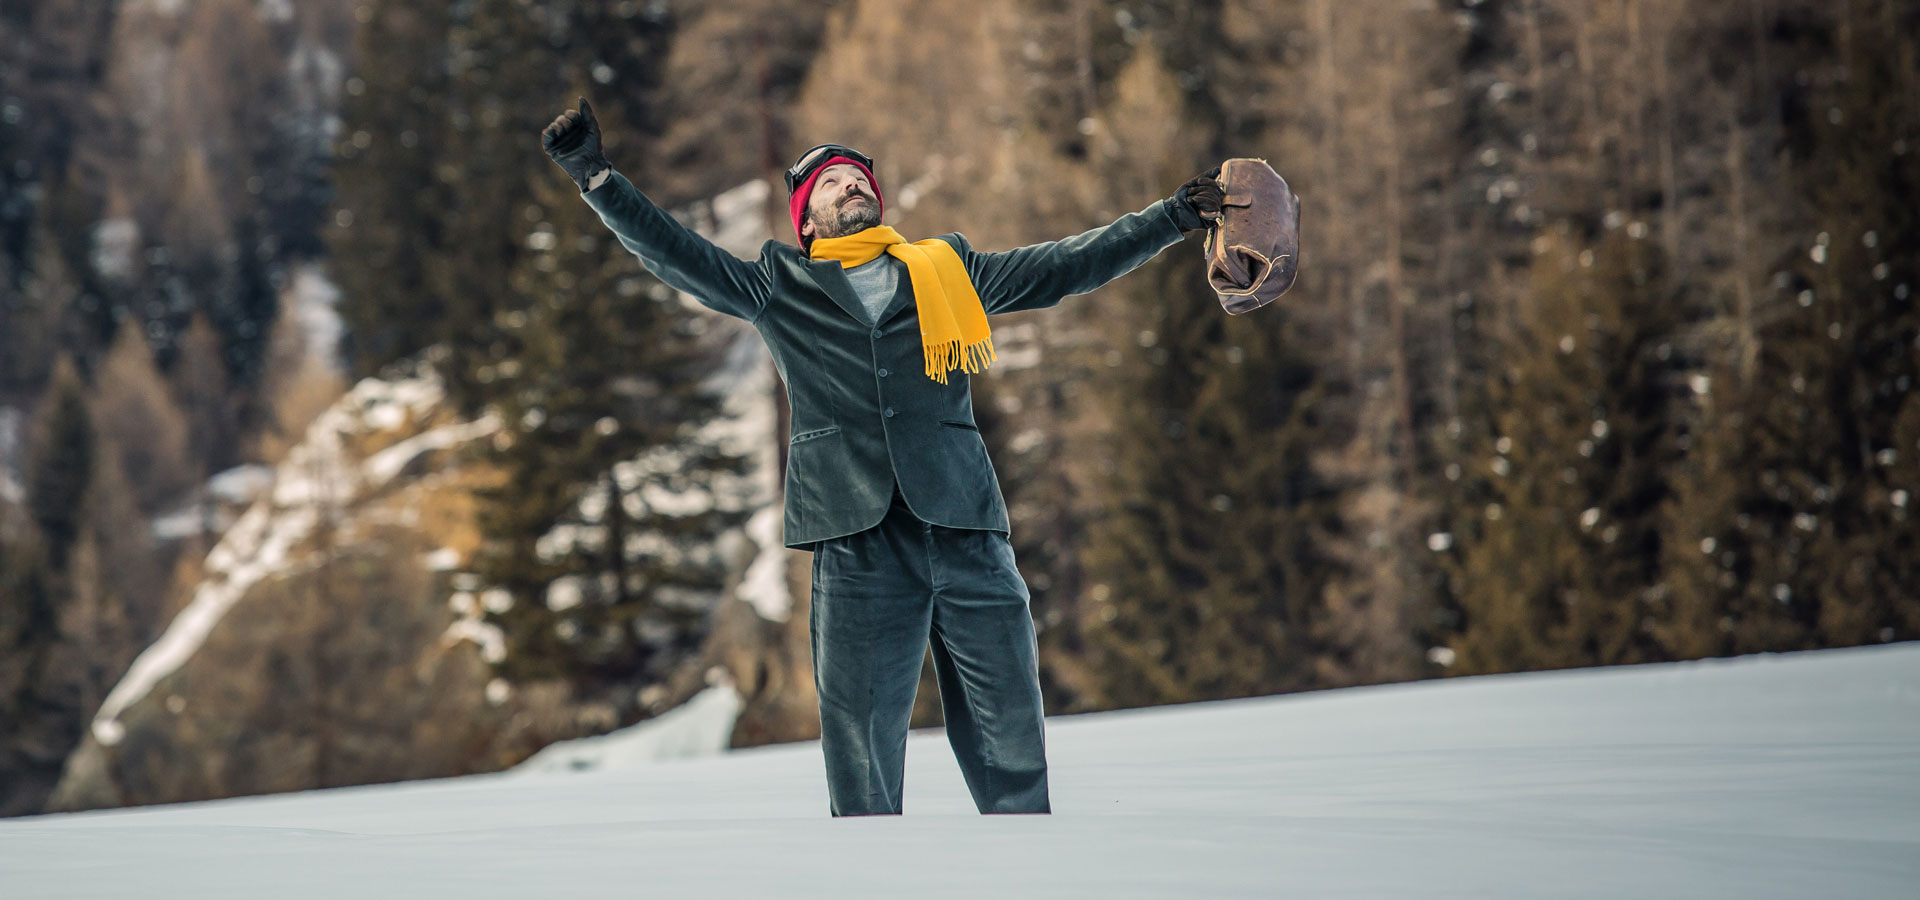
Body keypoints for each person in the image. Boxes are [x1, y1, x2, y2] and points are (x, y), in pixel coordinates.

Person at [542, 98, 1223, 816]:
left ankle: (1028, 868)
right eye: (833, 182)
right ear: (805, 221)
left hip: (964, 528)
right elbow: (676, 254)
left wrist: (1172, 217)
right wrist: (597, 179)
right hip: (856, 538)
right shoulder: (778, 286)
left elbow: (1067, 264)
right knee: (862, 749)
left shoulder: (947, 271)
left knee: (1011, 735)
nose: (852, 186)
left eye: (860, 178)